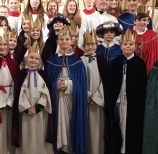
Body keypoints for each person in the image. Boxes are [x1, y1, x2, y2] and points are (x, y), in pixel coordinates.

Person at [46, 26, 88, 154]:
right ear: (57, 42)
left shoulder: (77, 61)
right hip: (57, 98)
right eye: (61, 39)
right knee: (58, 124)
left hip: (71, 99)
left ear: (72, 41)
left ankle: (70, 149)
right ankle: (58, 148)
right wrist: (55, 85)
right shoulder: (52, 60)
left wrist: (68, 85)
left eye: (67, 39)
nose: (64, 41)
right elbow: (47, 82)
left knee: (70, 126)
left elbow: (81, 85)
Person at [106, 29, 147, 154]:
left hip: (133, 103)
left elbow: (142, 85)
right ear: (121, 46)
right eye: (125, 44)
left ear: (135, 46)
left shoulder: (139, 63)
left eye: (130, 44)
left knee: (131, 127)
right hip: (118, 101)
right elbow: (110, 84)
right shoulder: (115, 62)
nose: (128, 47)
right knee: (117, 126)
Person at [12, 41, 53, 154]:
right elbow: (19, 93)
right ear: (27, 58)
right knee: (26, 134)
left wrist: (38, 107)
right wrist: (27, 108)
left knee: (40, 134)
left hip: (40, 113)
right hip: (25, 112)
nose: (33, 60)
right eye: (31, 58)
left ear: (40, 60)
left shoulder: (43, 74)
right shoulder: (21, 74)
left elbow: (46, 93)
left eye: (36, 58)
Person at [81, 29, 107, 154]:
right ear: (83, 46)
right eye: (87, 45)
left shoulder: (101, 60)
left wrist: (96, 96)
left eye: (92, 44)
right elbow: (77, 80)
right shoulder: (79, 60)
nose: (90, 47)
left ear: (96, 45)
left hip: (97, 100)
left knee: (97, 129)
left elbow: (105, 80)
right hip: (83, 100)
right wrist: (85, 95)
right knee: (84, 128)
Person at [129, 9, 158, 73]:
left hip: (147, 67)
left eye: (144, 20)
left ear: (148, 21)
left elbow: (153, 55)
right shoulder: (129, 33)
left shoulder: (152, 35)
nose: (142, 22)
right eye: (139, 20)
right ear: (134, 21)